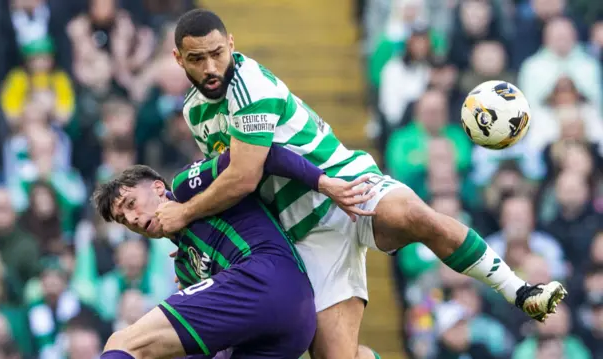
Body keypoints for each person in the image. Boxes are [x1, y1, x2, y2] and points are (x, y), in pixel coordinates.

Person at [158, 9, 567, 359]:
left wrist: (184, 212)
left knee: (412, 214)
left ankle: (519, 290)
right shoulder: (195, 111)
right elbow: (233, 182)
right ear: (179, 59)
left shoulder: (250, 88)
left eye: (217, 53)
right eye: (197, 59)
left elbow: (243, 177)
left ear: (231, 42)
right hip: (305, 234)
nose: (211, 67)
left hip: (347, 183)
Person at [92, 145, 371, 359]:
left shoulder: (185, 186)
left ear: (157, 187)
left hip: (266, 277)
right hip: (293, 324)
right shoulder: (185, 267)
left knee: (123, 342)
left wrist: (324, 183)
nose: (132, 219)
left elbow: (261, 155)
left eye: (130, 204)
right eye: (122, 220)